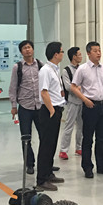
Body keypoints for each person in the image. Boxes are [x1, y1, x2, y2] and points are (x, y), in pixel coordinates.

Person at [71, 41, 103, 178]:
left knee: (102, 138)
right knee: (88, 138)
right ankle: (87, 167)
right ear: (88, 53)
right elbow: (73, 86)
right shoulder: (82, 69)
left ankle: (102, 165)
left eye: (99, 50)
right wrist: (85, 99)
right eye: (95, 51)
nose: (98, 53)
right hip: (90, 106)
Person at [9, 40, 43, 175]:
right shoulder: (17, 67)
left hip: (40, 106)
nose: (27, 50)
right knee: (26, 137)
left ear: (33, 49)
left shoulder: (40, 65)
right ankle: (29, 164)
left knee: (44, 136)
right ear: (21, 52)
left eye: (29, 47)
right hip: (25, 107)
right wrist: (13, 106)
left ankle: (45, 163)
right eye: (24, 48)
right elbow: (12, 87)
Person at [35, 42, 66, 191]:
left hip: (56, 109)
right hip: (49, 111)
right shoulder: (45, 71)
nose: (63, 54)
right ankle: (41, 179)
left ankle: (48, 173)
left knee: (52, 144)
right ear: (55, 54)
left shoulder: (55, 69)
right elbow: (44, 92)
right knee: (46, 145)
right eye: (62, 51)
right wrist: (52, 110)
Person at [58, 47, 83, 160]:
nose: (81, 56)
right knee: (69, 126)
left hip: (83, 101)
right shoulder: (66, 71)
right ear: (74, 56)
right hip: (73, 101)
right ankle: (63, 150)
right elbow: (68, 87)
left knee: (81, 126)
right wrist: (80, 87)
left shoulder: (82, 69)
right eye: (79, 54)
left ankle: (79, 147)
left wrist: (79, 87)